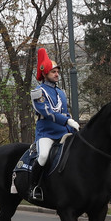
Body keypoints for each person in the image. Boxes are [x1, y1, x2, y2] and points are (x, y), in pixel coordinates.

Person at [29, 48, 80, 202]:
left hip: (64, 130)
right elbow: (48, 112)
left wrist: (72, 126)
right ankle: (33, 187)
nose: (57, 74)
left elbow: (64, 112)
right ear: (44, 74)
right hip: (47, 132)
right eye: (53, 72)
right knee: (43, 156)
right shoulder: (38, 92)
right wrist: (67, 121)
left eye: (57, 71)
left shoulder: (61, 92)